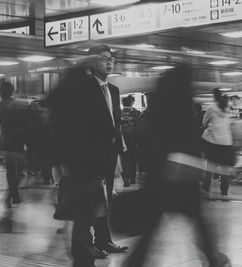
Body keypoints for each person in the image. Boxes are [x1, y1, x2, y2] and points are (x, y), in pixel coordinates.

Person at [122, 64, 219, 267]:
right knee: (198, 223)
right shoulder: (181, 104)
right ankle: (212, 259)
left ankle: (134, 262)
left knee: (152, 226)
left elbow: (152, 140)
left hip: (161, 175)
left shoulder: (158, 107)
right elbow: (186, 140)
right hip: (179, 175)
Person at [48, 44, 127, 267]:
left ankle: (102, 240)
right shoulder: (84, 86)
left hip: (108, 153)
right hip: (86, 157)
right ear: (92, 62)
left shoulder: (113, 90)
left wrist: (119, 148)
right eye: (104, 58)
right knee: (88, 202)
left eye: (111, 59)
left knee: (103, 200)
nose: (109, 62)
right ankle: (86, 248)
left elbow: (113, 122)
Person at [0, 82, 30, 208]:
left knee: (10, 170)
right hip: (18, 142)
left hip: (6, 143)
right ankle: (11, 194)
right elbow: (27, 124)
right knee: (21, 172)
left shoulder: (1, 106)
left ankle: (13, 194)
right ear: (12, 91)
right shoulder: (20, 105)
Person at [201, 89, 233, 195]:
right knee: (225, 168)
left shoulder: (211, 107)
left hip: (214, 142)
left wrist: (209, 125)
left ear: (214, 96)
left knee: (210, 165)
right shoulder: (227, 107)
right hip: (227, 142)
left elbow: (204, 122)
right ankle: (224, 190)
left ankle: (206, 186)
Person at [120, 95, 140, 186]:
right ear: (132, 102)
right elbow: (139, 128)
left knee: (124, 159)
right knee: (133, 159)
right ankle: (132, 179)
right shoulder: (136, 113)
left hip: (122, 140)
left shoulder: (118, 113)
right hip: (133, 139)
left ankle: (126, 178)